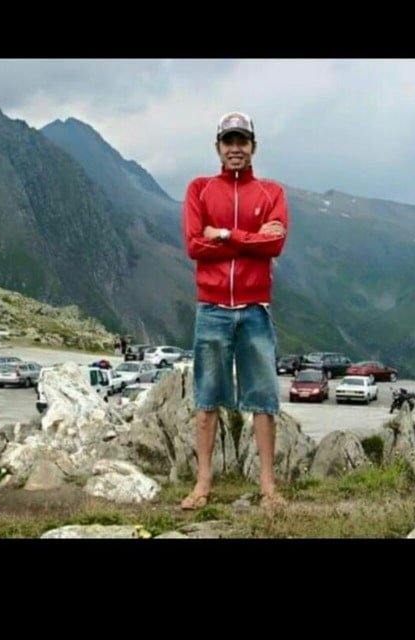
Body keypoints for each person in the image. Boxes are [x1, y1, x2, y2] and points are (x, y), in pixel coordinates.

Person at [181, 111, 289, 511]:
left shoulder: (272, 192)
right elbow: (194, 245)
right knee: (207, 399)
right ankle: (202, 484)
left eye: (242, 141)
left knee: (263, 400)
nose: (236, 149)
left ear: (253, 147)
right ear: (218, 147)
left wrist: (225, 234)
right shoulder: (200, 189)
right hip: (212, 309)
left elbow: (274, 245)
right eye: (229, 141)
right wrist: (251, 240)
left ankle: (268, 487)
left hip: (255, 309)